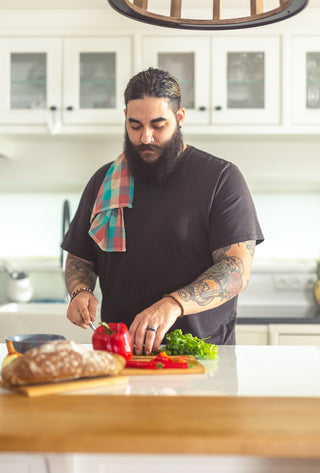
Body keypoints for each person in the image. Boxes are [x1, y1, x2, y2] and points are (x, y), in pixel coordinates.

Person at [62, 67, 264, 354]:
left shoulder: (221, 178)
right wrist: (79, 292)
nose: (146, 137)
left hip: (203, 358)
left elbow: (236, 270)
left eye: (158, 125)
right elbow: (79, 257)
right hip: (120, 354)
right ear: (125, 119)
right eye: (135, 125)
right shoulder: (104, 181)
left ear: (179, 118)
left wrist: (173, 304)